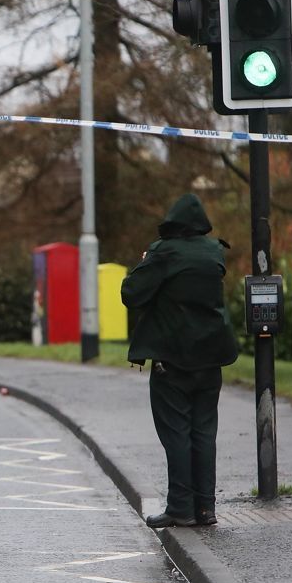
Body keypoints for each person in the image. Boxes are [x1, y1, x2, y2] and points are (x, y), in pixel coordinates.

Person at [121, 193, 240, 529]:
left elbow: (132, 294)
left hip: (171, 359)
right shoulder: (214, 251)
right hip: (211, 357)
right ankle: (206, 509)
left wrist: (146, 261)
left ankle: (180, 508)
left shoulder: (164, 251)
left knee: (176, 433)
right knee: (204, 432)